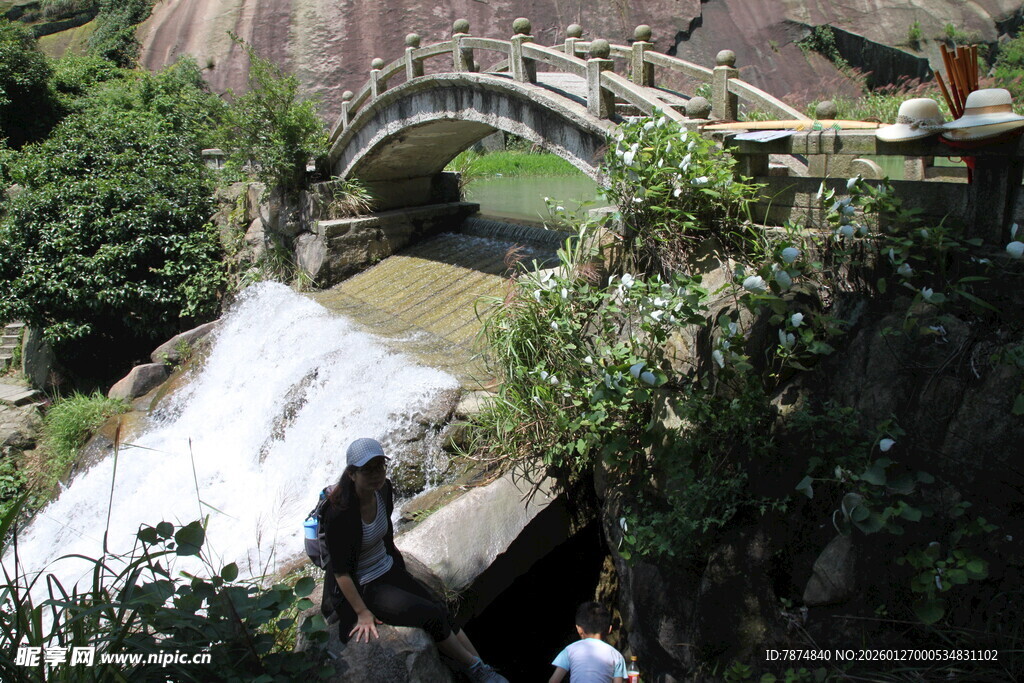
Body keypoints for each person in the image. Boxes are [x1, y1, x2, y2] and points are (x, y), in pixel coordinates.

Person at [320, 437, 507, 683]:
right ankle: (475, 669)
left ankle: (482, 667)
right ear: (352, 474)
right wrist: (362, 612)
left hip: (386, 568)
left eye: (379, 467)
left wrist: (398, 567)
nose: (376, 475)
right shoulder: (339, 513)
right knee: (430, 614)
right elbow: (341, 572)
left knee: (440, 607)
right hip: (364, 583)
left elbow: (386, 535)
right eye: (367, 470)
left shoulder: (383, 490)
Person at [548, 602, 626, 683]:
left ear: (579, 629)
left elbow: (554, 681)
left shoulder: (569, 650)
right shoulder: (616, 656)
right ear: (609, 629)